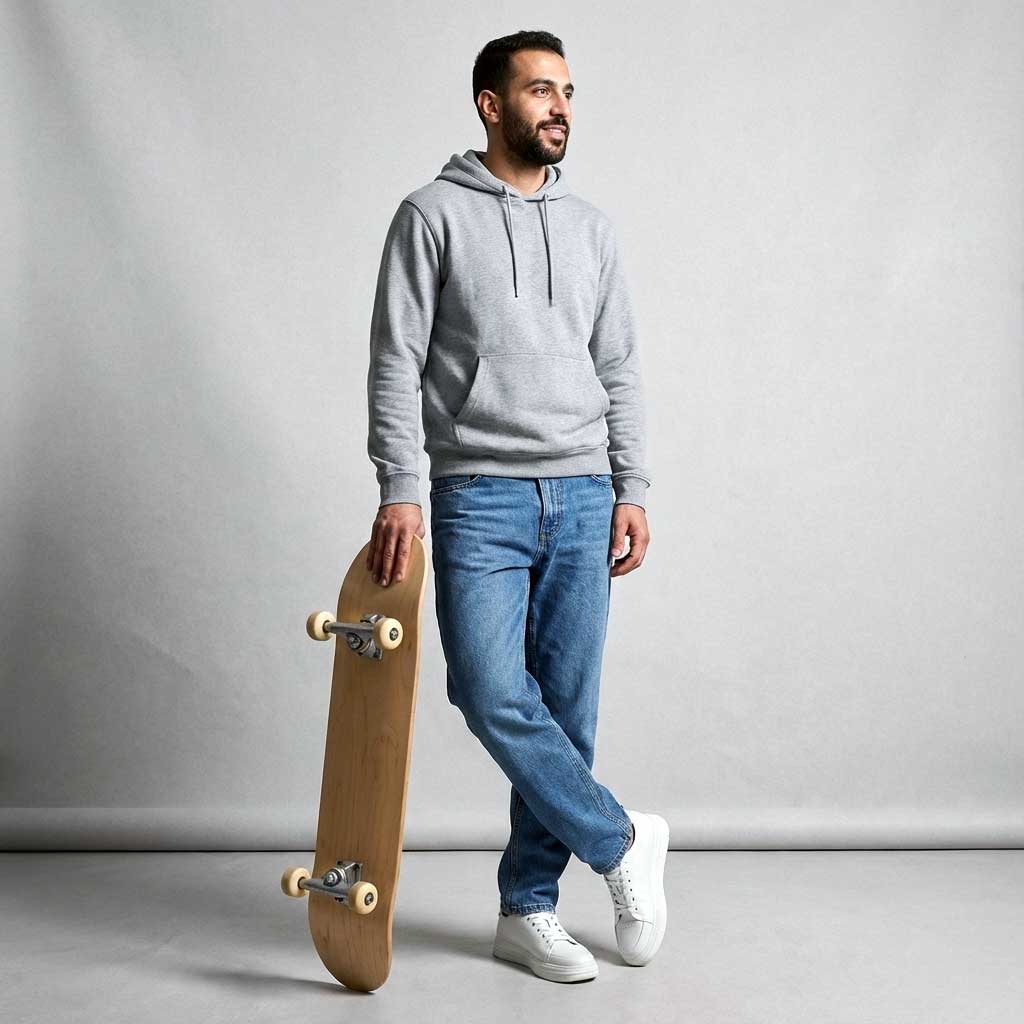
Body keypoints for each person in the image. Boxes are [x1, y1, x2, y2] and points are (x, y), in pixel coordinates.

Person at [364, 29, 669, 983]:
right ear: (492, 105)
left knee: (567, 710)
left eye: (568, 91)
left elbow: (617, 365)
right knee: (489, 689)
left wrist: (633, 487)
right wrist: (401, 487)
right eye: (540, 91)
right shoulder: (430, 216)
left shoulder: (593, 230)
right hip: (476, 494)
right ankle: (620, 841)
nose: (560, 108)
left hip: (582, 492)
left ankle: (527, 909)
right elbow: (394, 360)